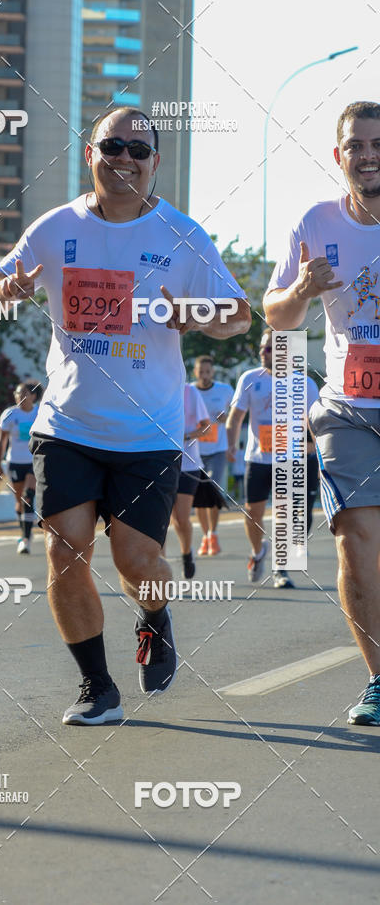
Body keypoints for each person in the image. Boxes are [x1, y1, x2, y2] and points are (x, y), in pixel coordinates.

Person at [0, 105, 250, 725]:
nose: (124, 158)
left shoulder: (183, 236)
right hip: (66, 425)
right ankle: (97, 687)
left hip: (148, 433)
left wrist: (199, 316)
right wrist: (8, 290)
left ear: (156, 162)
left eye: (138, 149)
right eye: (112, 146)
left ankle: (154, 616)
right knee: (66, 548)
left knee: (136, 562)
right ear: (90, 153)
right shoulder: (55, 227)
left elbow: (239, 313)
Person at [263, 101, 380, 725]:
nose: (366, 155)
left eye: (376, 144)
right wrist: (303, 290)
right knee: (357, 542)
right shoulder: (316, 221)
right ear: (339, 156)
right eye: (355, 145)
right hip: (348, 410)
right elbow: (276, 315)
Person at [226, 327, 319, 588]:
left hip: (292, 459)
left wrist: (314, 446)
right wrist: (231, 444)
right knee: (252, 513)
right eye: (262, 347)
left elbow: (315, 423)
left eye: (269, 348)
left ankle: (281, 568)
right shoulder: (249, 378)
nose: (263, 353)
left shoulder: (305, 383)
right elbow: (235, 417)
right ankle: (258, 552)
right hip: (258, 458)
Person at [190, 355, 234, 556]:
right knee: (200, 495)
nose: (204, 375)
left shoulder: (224, 390)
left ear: (213, 372)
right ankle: (205, 535)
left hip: (217, 449)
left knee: (213, 490)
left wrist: (225, 418)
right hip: (196, 450)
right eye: (201, 372)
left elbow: (235, 416)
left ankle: (213, 534)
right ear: (195, 372)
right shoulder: (189, 391)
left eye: (208, 372)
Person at [169, 383, 210, 579]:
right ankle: (157, 564)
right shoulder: (153, 386)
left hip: (188, 465)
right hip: (161, 463)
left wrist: (184, 436)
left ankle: (186, 554)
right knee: (160, 519)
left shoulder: (190, 391)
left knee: (181, 518)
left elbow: (206, 427)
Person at [0, 382, 39, 554]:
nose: (20, 397)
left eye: (25, 394)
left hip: (34, 462)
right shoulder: (10, 414)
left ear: (33, 396)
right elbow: (1, 442)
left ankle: (26, 540)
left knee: (28, 497)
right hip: (14, 462)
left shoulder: (39, 413)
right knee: (19, 501)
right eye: (18, 394)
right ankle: (24, 532)